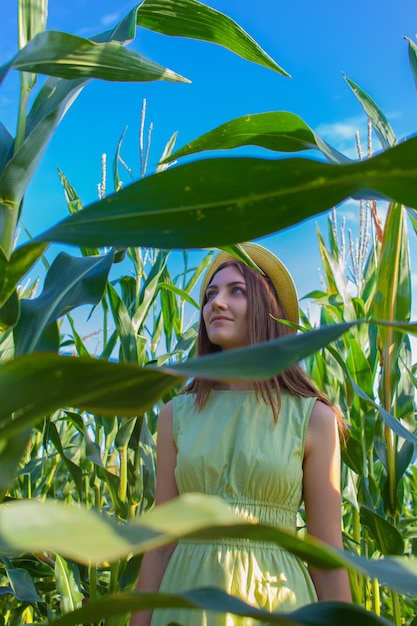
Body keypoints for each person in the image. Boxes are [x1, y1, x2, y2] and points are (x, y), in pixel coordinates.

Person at [130, 242, 352, 626]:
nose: (216, 302)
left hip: (276, 603)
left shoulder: (313, 418)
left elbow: (327, 556)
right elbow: (161, 546)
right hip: (186, 604)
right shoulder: (174, 416)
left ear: (269, 310)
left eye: (237, 291)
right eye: (210, 294)